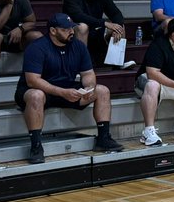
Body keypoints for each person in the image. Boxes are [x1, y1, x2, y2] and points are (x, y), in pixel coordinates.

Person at [14, 13, 123, 164]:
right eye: (66, 29)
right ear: (53, 31)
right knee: (36, 95)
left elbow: (88, 74)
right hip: (38, 89)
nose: (71, 32)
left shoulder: (78, 46)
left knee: (102, 90)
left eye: (72, 28)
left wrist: (88, 89)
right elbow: (33, 81)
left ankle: (103, 138)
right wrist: (62, 92)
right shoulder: (37, 47)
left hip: (66, 88)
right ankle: (36, 146)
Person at [63, 0, 126, 68]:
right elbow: (78, 16)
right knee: (83, 26)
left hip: (96, 29)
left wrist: (116, 27)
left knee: (119, 27)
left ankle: (116, 62)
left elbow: (116, 14)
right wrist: (104, 23)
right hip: (73, 32)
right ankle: (81, 66)